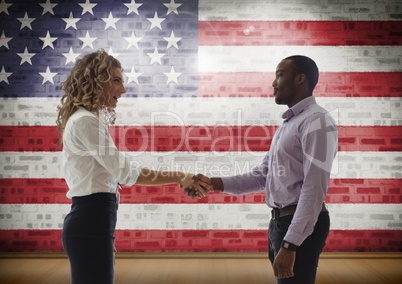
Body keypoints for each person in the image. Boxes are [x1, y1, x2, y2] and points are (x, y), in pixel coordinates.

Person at [56, 49, 210, 284]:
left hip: (94, 223)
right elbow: (126, 173)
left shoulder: (85, 119)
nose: (123, 90)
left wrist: (104, 236)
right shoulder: (86, 121)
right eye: (116, 80)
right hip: (90, 222)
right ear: (97, 81)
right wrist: (180, 176)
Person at [186, 55, 338, 283]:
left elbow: (314, 188)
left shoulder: (317, 121)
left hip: (298, 225)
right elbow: (262, 176)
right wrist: (213, 183)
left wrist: (291, 243)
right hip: (280, 223)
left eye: (279, 74)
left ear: (300, 79)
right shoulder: (289, 124)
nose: (274, 82)